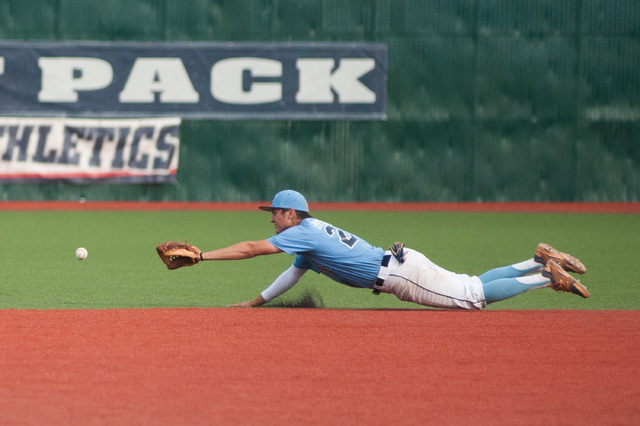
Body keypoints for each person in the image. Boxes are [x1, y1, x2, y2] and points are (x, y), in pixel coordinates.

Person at [196, 189, 589, 309]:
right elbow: (292, 274)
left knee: (473, 298)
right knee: (471, 282)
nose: (271, 220)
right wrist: (254, 304)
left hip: (399, 274)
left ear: (290, 213)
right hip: (400, 262)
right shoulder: (309, 235)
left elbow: (250, 249)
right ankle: (537, 258)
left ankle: (543, 277)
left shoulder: (301, 231)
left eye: (275, 214)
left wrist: (203, 256)